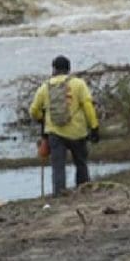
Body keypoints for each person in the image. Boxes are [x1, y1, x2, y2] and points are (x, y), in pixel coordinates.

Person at [29, 55, 100, 196]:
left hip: (55, 133)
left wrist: (42, 119)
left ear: (54, 69)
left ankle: (59, 194)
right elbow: (88, 106)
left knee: (58, 166)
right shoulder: (79, 84)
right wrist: (94, 126)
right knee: (81, 163)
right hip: (78, 132)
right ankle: (83, 190)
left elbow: (33, 110)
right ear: (69, 69)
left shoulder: (45, 87)